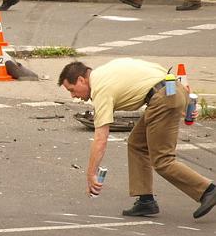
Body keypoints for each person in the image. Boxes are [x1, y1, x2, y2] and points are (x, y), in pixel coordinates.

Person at [58, 60, 215, 219]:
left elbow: (101, 138)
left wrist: (90, 174)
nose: (73, 96)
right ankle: (145, 200)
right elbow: (160, 75)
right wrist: (185, 101)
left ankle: (208, 190)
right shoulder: (105, 72)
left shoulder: (100, 89)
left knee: (163, 160)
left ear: (80, 80)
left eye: (72, 90)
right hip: (172, 89)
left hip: (162, 99)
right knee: (136, 143)